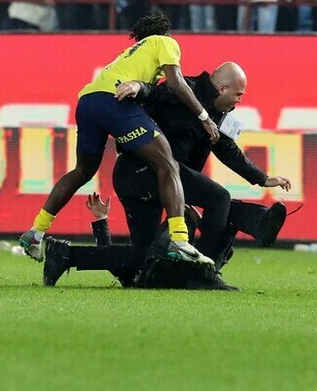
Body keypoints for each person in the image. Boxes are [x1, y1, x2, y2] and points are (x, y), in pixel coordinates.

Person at [45, 63, 293, 289]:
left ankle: (65, 256)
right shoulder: (186, 90)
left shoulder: (219, 115)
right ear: (222, 87)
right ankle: (203, 271)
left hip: (142, 177)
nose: (240, 101)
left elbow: (227, 149)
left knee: (143, 258)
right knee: (219, 197)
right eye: (238, 94)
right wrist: (137, 87)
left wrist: (262, 178)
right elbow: (154, 92)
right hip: (142, 169)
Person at [17, 10, 219, 266]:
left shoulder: (129, 55)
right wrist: (204, 116)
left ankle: (36, 232)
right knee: (167, 164)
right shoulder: (165, 42)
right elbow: (176, 82)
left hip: (88, 100)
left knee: (82, 171)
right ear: (164, 32)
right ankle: (179, 240)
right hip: (114, 101)